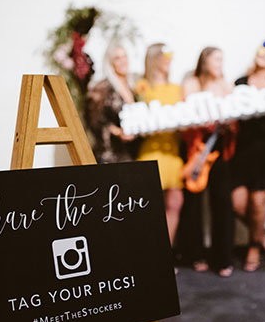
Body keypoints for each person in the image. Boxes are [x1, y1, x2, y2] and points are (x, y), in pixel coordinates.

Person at [178, 47, 237, 277]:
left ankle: (223, 258)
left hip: (220, 145)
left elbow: (236, 112)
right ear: (204, 61)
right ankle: (195, 255)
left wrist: (229, 124)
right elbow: (184, 114)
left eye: (222, 59)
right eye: (216, 59)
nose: (220, 63)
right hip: (197, 147)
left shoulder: (226, 85)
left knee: (222, 201)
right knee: (193, 201)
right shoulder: (192, 83)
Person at [232, 39, 265, 272]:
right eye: (264, 46)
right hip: (243, 151)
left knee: (257, 203)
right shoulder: (240, 83)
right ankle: (263, 234)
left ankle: (254, 247)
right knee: (238, 203)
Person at [135, 43, 184, 247]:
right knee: (149, 207)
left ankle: (166, 253)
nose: (169, 60)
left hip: (173, 151)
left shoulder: (177, 89)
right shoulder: (142, 87)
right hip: (151, 151)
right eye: (165, 56)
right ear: (154, 59)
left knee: (175, 203)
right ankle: (150, 252)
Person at [85, 44, 138, 163]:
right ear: (110, 63)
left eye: (124, 56)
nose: (123, 61)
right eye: (117, 58)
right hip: (111, 154)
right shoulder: (102, 88)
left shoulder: (133, 86)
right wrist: (118, 132)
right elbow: (94, 121)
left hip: (131, 151)